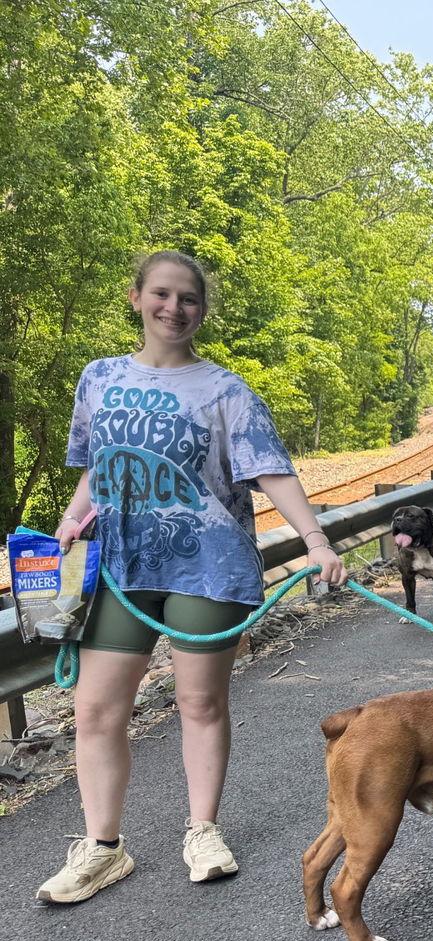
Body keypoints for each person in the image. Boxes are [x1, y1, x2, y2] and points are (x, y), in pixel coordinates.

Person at [35, 250, 348, 904]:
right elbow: (97, 465)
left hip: (207, 565)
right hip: (121, 566)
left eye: (188, 299)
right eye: (163, 294)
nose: (174, 308)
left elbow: (270, 470)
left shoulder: (225, 391)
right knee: (95, 711)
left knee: (200, 704)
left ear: (201, 311)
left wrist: (315, 540)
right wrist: (70, 522)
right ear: (137, 297)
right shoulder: (98, 378)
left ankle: (202, 831)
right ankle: (102, 849)